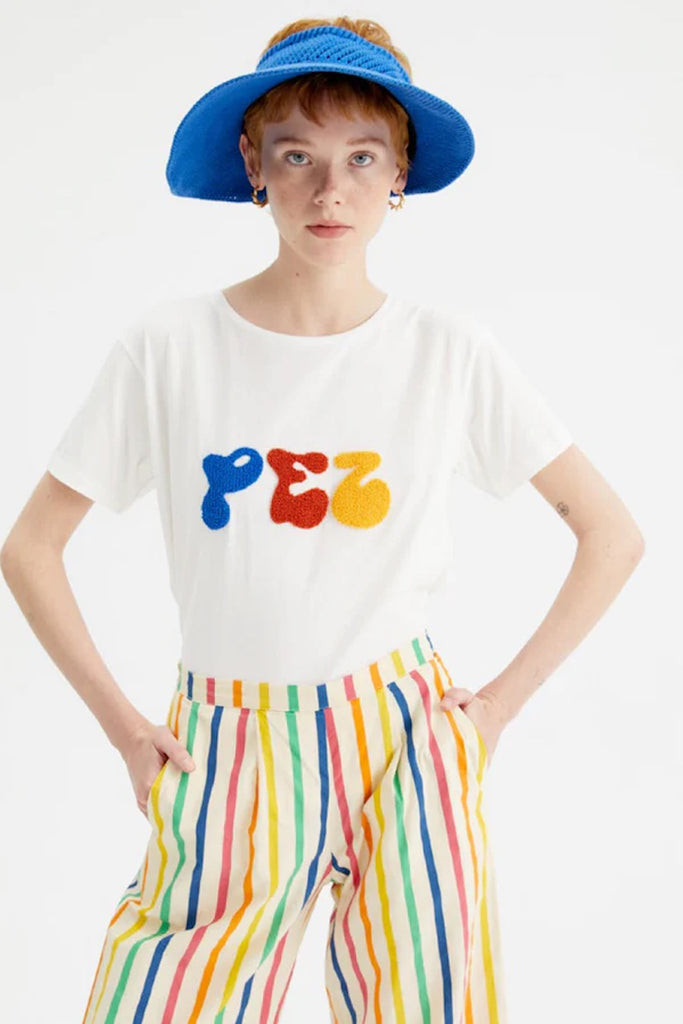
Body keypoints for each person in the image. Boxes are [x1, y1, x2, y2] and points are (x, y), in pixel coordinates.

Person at [0, 15, 645, 1024]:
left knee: (428, 1004)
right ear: (253, 166)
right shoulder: (169, 348)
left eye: (361, 158)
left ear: (400, 176)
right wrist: (127, 731)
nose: (329, 189)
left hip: (402, 736)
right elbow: (31, 548)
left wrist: (491, 714)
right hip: (227, 743)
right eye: (297, 155)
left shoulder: (447, 352)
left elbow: (610, 535)